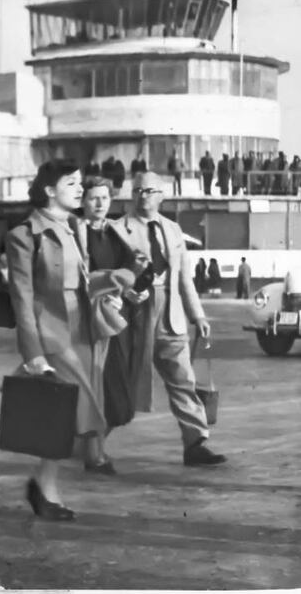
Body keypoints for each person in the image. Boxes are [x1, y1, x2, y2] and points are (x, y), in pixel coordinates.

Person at [6, 159, 103, 520]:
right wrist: (33, 352)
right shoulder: (24, 235)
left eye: (80, 183)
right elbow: (22, 296)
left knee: (70, 414)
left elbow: (82, 281)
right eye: (71, 183)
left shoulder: (75, 227)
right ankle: (45, 488)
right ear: (49, 190)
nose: (80, 189)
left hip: (81, 331)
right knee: (73, 411)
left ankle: (44, 485)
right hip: (51, 333)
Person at [111, 172, 226, 467]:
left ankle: (196, 443)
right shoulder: (117, 229)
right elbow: (109, 275)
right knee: (121, 381)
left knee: (183, 379)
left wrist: (197, 315)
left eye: (149, 191)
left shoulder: (173, 230)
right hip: (134, 315)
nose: (143, 196)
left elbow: (185, 278)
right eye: (137, 191)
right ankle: (90, 440)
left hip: (171, 314)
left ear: (162, 196)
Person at [77, 177, 142, 474]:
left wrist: (131, 292)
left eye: (105, 197)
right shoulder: (76, 234)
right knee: (96, 390)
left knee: (118, 396)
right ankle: (94, 455)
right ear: (83, 201)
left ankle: (89, 447)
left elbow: (128, 272)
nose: (100, 203)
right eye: (93, 197)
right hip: (88, 321)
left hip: (114, 321)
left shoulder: (115, 233)